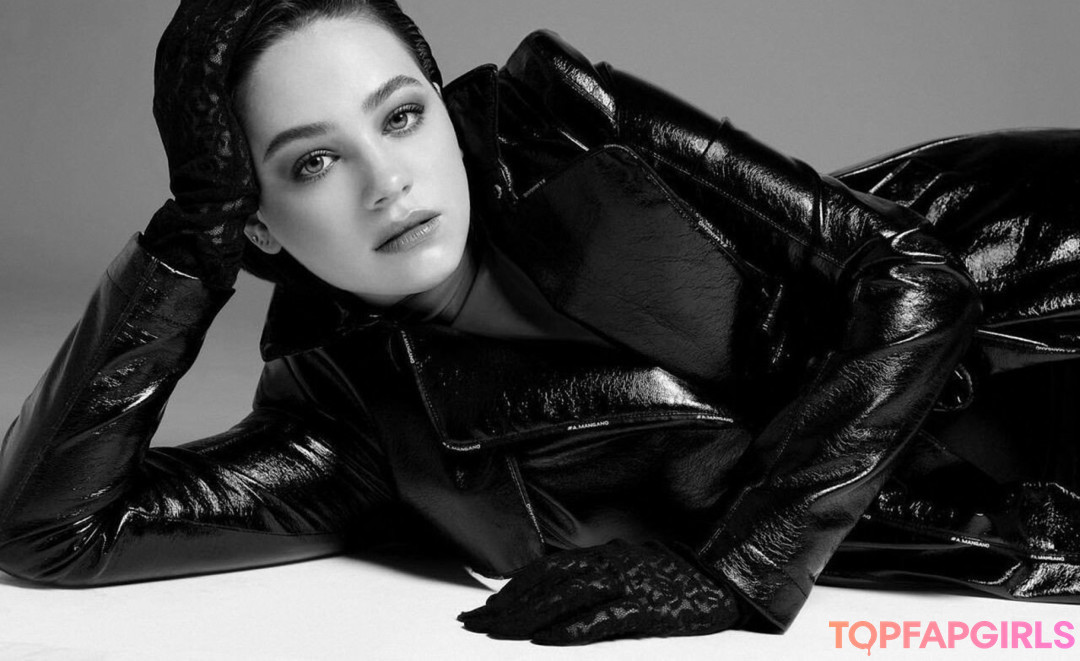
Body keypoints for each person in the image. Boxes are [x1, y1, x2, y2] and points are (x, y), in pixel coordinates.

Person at [0, 0, 1077, 646]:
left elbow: (913, 276)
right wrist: (185, 249)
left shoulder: (561, 117)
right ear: (256, 223)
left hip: (1030, 261)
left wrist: (737, 570)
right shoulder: (352, 425)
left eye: (402, 115)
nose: (388, 181)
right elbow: (49, 534)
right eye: (315, 161)